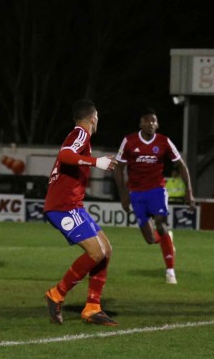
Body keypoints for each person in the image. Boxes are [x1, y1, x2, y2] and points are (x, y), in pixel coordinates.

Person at [43, 99, 118, 326]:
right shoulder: (80, 134)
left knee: (106, 250)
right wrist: (96, 162)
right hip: (64, 206)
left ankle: (93, 307)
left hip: (73, 205)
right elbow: (65, 155)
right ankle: (56, 294)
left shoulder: (79, 136)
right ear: (93, 118)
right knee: (96, 253)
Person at [113, 109, 196, 284]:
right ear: (140, 124)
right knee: (151, 239)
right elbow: (118, 168)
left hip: (157, 190)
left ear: (157, 124)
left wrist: (189, 192)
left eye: (153, 121)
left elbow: (182, 165)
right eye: (146, 121)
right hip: (136, 193)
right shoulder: (129, 141)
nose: (150, 124)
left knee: (160, 222)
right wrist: (123, 195)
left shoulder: (164, 142)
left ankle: (170, 271)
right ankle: (166, 238)